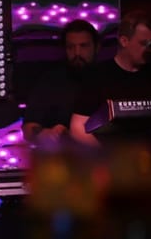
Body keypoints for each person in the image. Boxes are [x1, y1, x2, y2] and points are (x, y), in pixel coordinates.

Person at [68, 9, 151, 149]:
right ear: (124, 41)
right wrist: (107, 156)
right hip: (113, 158)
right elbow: (77, 128)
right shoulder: (97, 75)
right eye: (144, 43)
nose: (149, 49)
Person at [21, 19, 99, 147]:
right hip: (61, 155)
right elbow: (28, 128)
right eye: (71, 47)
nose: (77, 53)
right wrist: (43, 134)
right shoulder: (50, 81)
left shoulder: (110, 78)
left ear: (97, 47)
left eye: (83, 46)